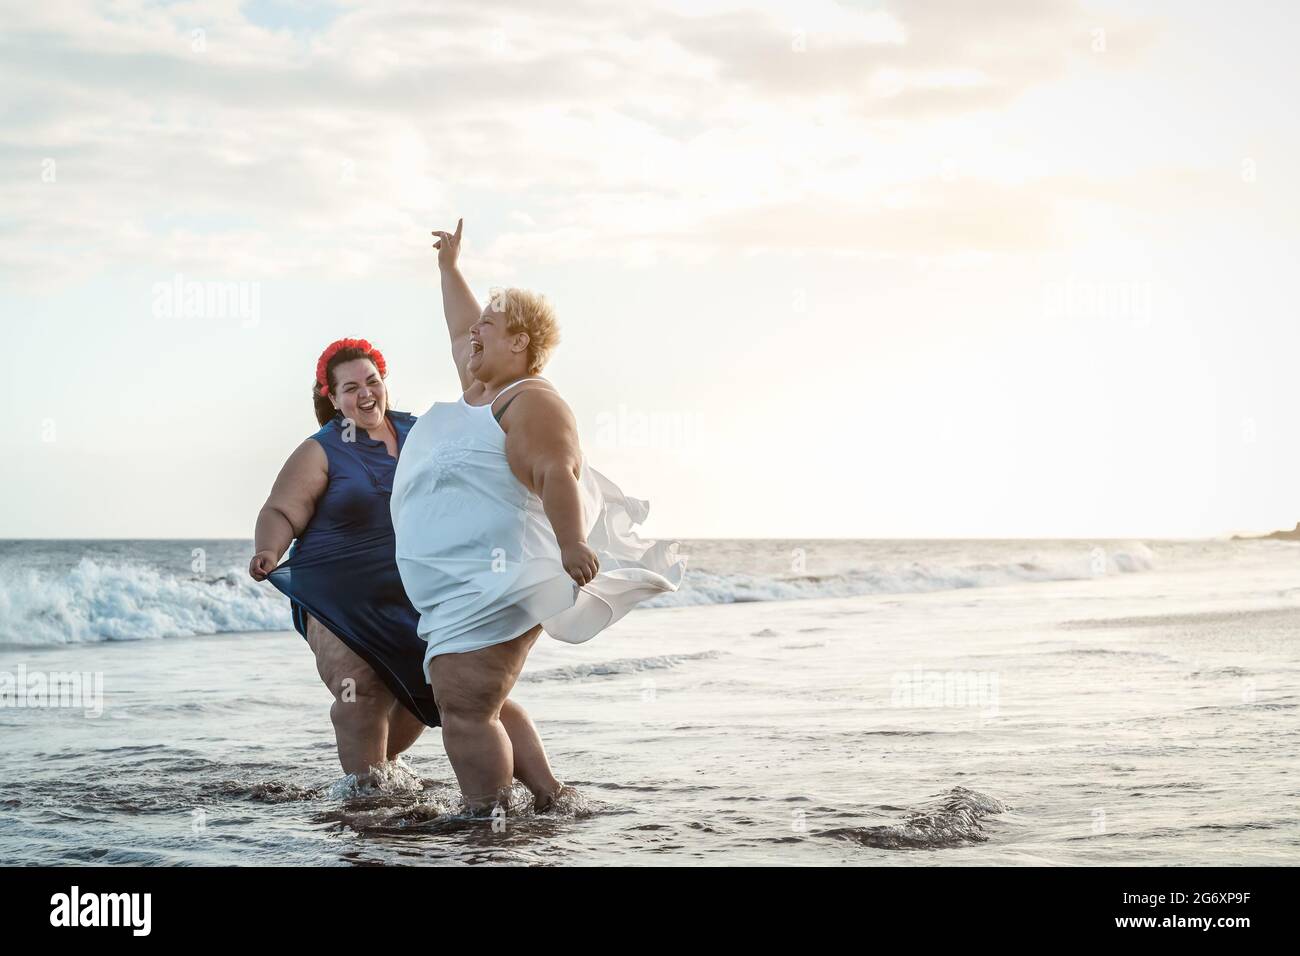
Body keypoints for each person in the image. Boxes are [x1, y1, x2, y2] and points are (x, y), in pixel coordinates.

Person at [391, 219, 685, 814]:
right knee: (476, 704)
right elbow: (458, 323)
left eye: (489, 328)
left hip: (494, 583)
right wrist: (449, 269)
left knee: (466, 707)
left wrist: (573, 542)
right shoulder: (480, 386)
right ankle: (549, 801)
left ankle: (489, 824)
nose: (473, 334)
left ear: (519, 342)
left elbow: (557, 471)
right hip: (457, 589)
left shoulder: (529, 400)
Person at [249, 338, 437, 783]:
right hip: (337, 596)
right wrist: (268, 550)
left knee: (430, 692)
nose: (365, 393)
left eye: (372, 381)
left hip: (414, 592)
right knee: (361, 691)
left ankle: (376, 779)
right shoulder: (321, 449)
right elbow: (280, 510)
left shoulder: (422, 433)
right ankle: (365, 803)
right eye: (350, 388)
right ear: (331, 398)